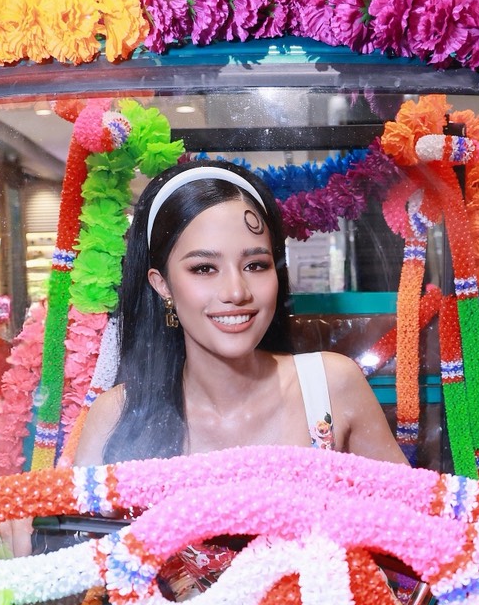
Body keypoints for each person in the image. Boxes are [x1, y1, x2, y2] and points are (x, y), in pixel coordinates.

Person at [74, 158, 404, 467]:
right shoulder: (115, 416)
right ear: (162, 285)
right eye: (204, 268)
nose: (236, 292)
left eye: (255, 265)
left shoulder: (331, 387)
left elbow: (411, 506)